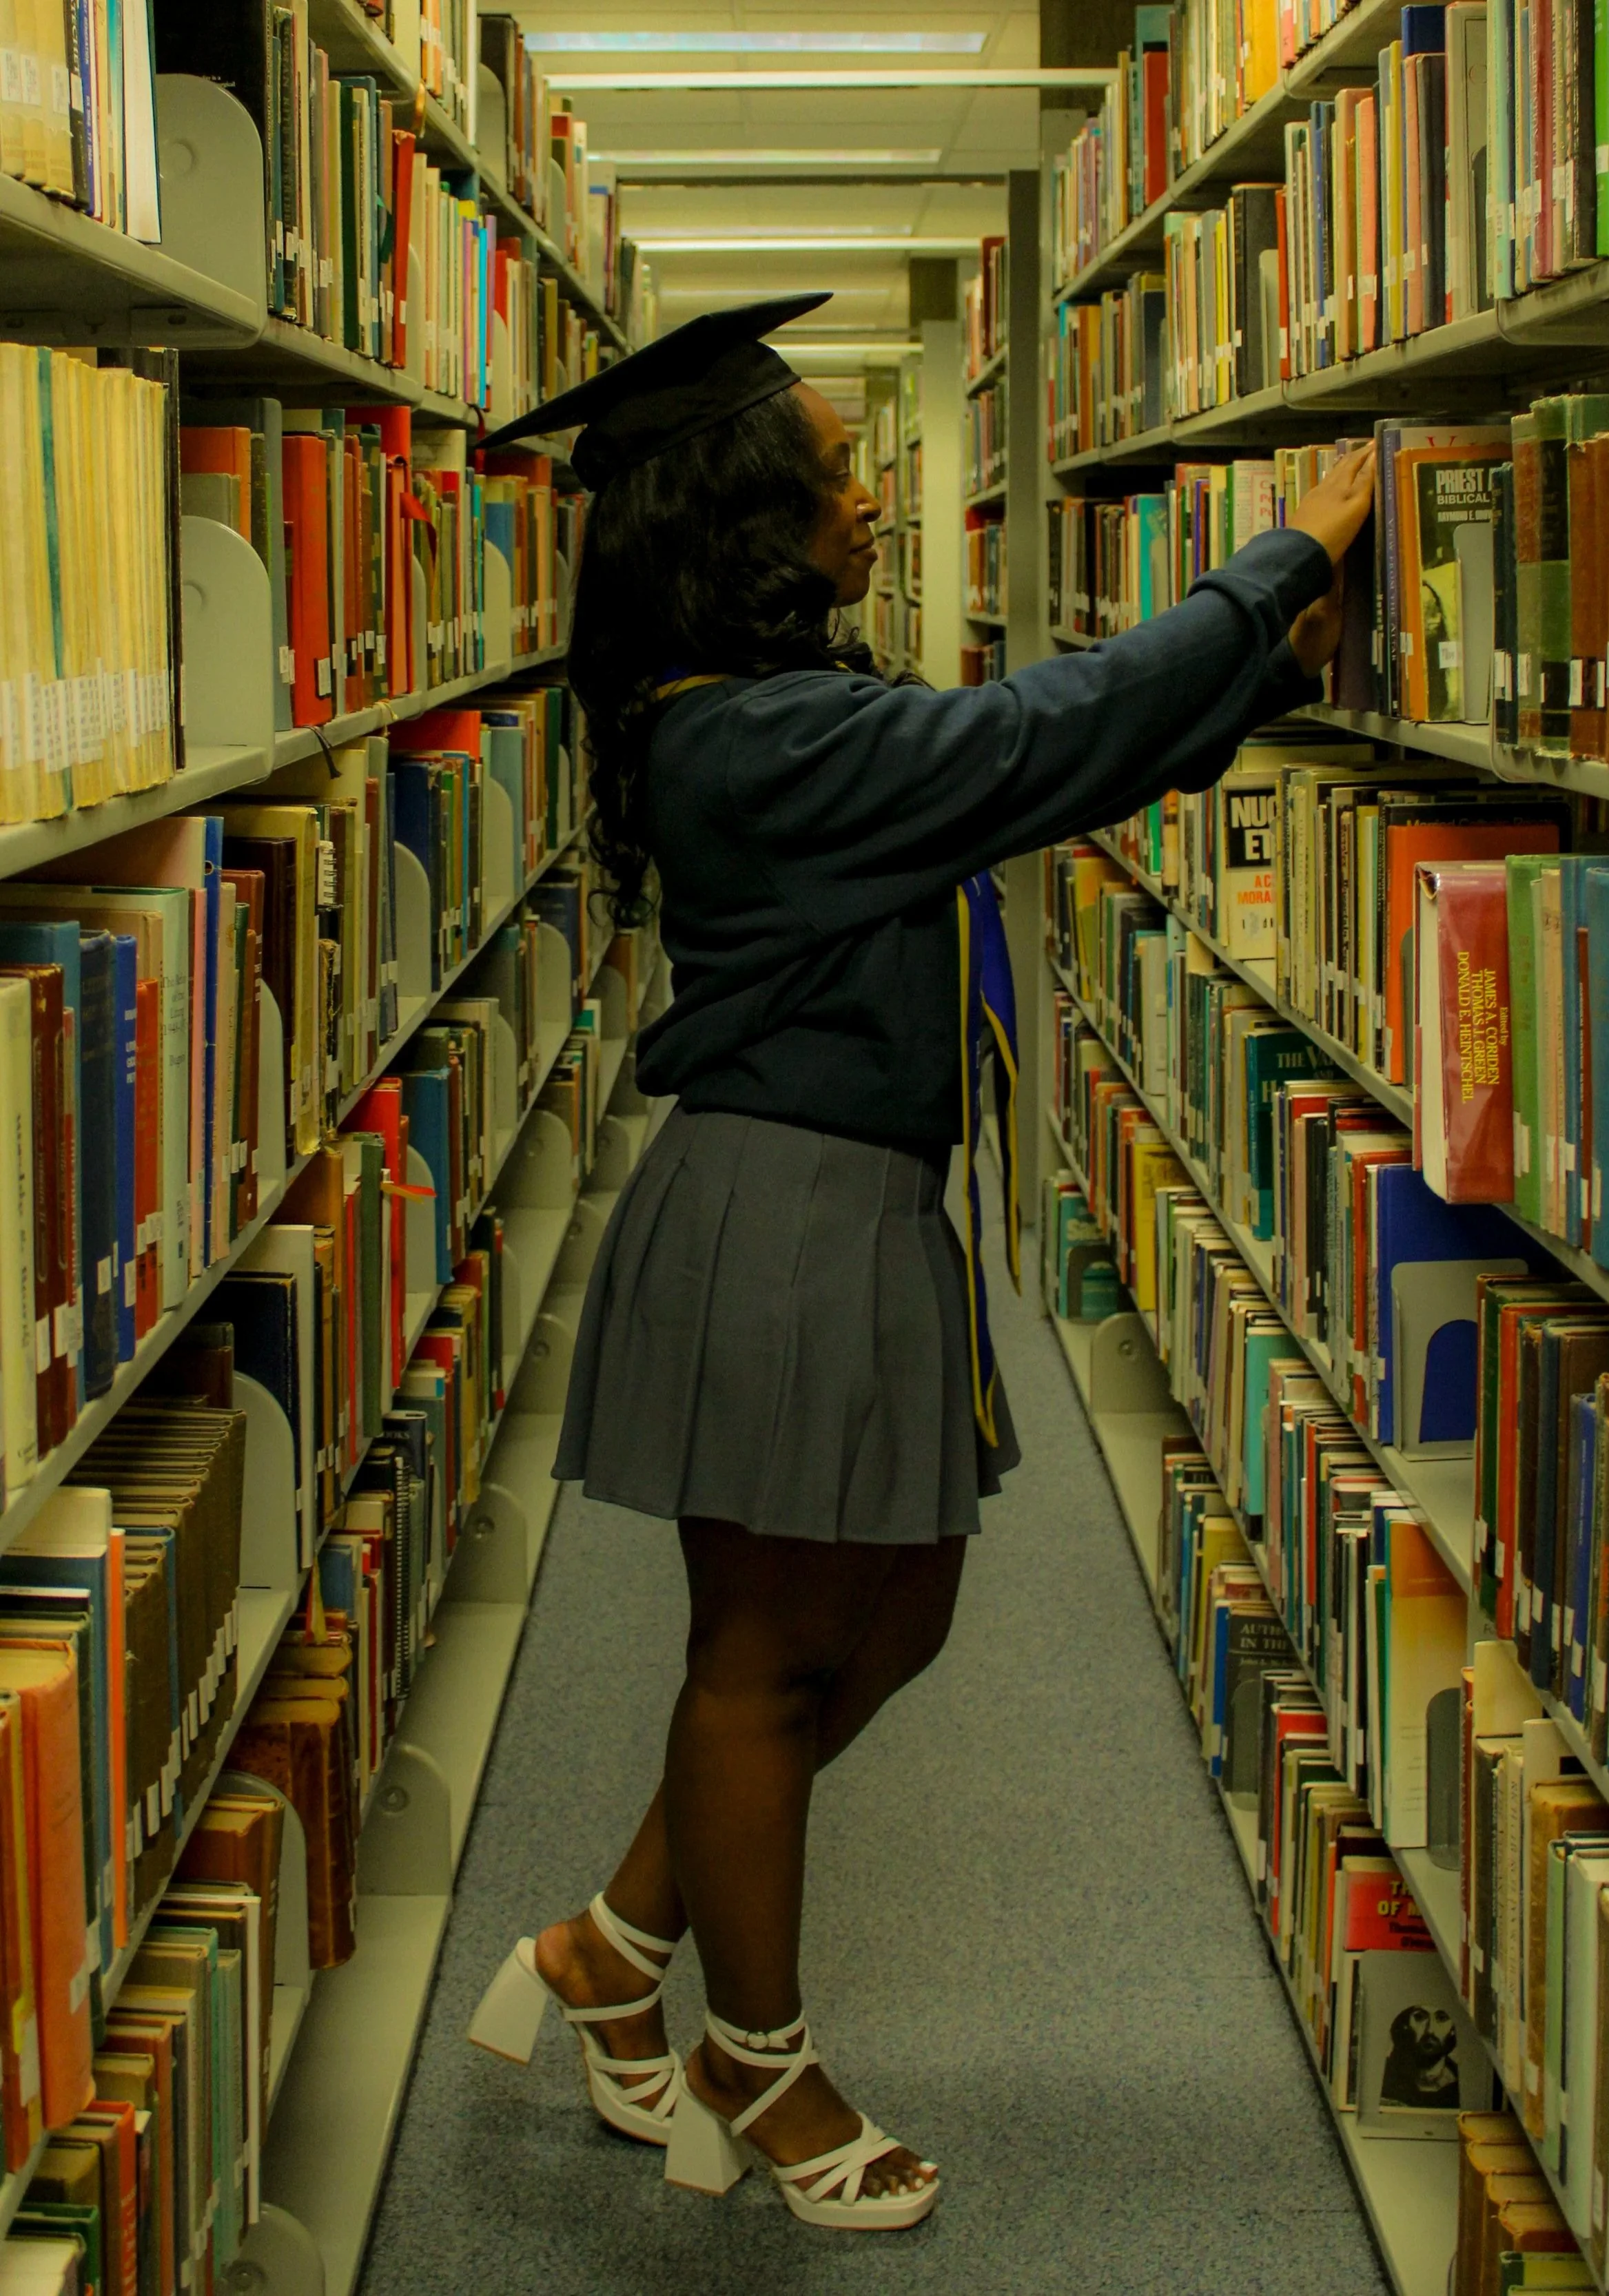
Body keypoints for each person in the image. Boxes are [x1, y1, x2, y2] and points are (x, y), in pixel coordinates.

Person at [465, 293, 1376, 2232]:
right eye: (840, 475)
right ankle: (760, 2070)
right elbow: (1025, 737)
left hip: (853, 1206)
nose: (874, 502)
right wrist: (1279, 551)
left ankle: (613, 1948)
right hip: (781, 1215)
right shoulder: (758, 741)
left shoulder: (767, 718)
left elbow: (1030, 770)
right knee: (763, 1659)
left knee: (892, 1622)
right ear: (743, 522)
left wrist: (1256, 678)